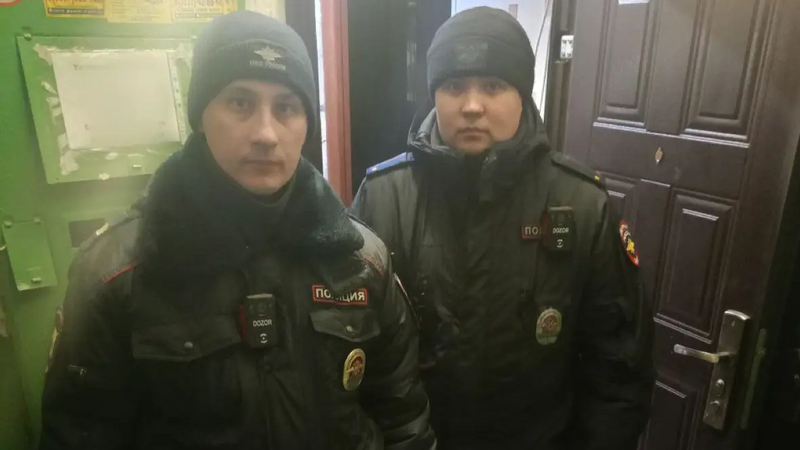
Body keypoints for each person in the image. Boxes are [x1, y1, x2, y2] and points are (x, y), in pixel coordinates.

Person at [39, 11, 435, 450]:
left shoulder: (360, 261)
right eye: (240, 103)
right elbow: (79, 433)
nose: (266, 133)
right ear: (201, 116)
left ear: (306, 124)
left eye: (286, 107)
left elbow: (402, 419)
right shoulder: (119, 274)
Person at [350, 6, 654, 450]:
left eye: (493, 86)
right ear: (434, 95)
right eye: (454, 86)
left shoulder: (582, 205)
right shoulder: (383, 198)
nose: (472, 106)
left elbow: (619, 372)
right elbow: (350, 360)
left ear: (522, 95)